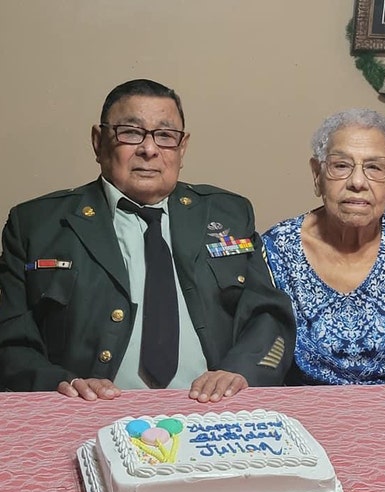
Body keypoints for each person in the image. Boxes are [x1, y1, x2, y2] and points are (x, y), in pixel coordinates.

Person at [0, 79, 296, 402]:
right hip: (89, 413)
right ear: (98, 142)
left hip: (210, 411)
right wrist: (64, 384)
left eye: (165, 136)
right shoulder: (35, 225)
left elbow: (268, 315)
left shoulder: (229, 215)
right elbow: (10, 340)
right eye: (130, 132)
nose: (149, 149)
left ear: (182, 149)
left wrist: (239, 373)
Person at [262, 108, 385, 385]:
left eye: (374, 167)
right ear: (317, 174)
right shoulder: (276, 248)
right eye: (341, 166)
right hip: (310, 416)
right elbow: (258, 355)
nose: (357, 182)